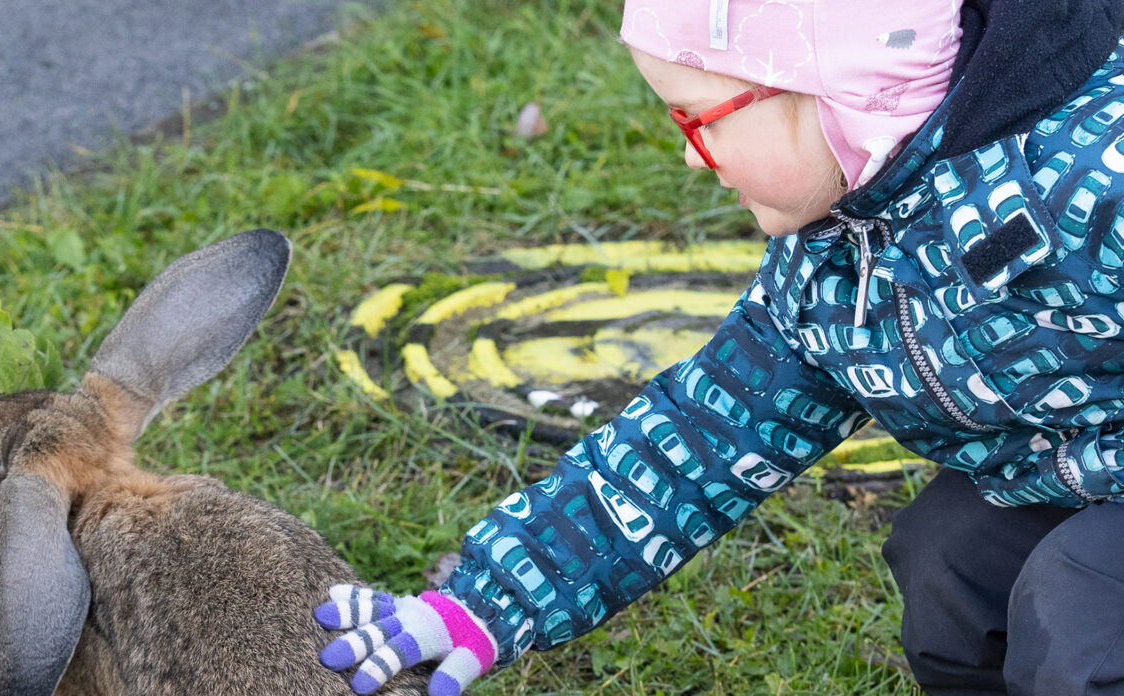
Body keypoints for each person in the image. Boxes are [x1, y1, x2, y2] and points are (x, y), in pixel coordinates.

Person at [313, 1, 1124, 694]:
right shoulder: (833, 264)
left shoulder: (1092, 170)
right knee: (947, 568)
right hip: (1076, 467)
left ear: (837, 89)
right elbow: (693, 442)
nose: (689, 157)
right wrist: (483, 603)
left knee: (1079, 600)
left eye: (696, 122)